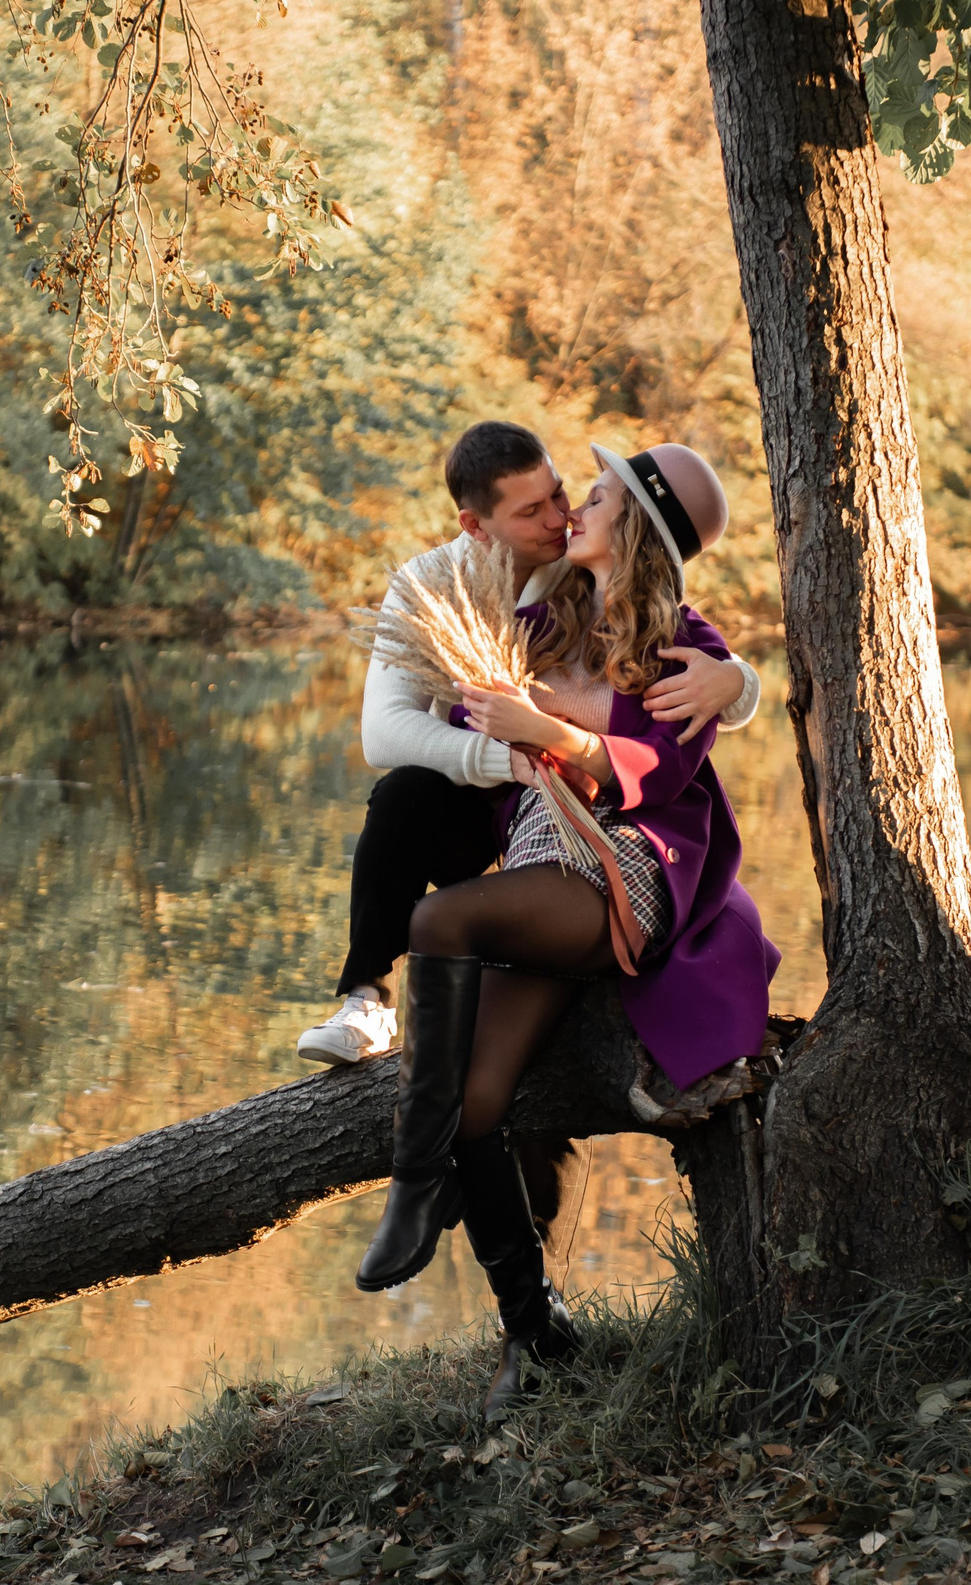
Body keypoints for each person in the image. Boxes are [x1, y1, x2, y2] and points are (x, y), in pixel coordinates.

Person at [354, 442, 782, 1420]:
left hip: (620, 867)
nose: (576, 505)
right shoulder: (540, 614)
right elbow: (467, 690)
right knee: (472, 1097)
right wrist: (487, 710)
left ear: (635, 521)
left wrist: (728, 682)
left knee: (439, 916)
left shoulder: (684, 642)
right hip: (545, 859)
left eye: (597, 494)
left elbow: (659, 772)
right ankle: (533, 1328)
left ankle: (413, 1180)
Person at [295, 422, 761, 1067]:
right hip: (493, 790)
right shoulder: (434, 583)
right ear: (476, 526)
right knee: (403, 794)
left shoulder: (572, 568)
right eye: (531, 511)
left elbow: (679, 650)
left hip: (584, 804)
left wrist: (736, 678)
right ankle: (367, 999)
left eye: (563, 495)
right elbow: (383, 733)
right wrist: (506, 756)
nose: (559, 517)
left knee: (527, 1015)